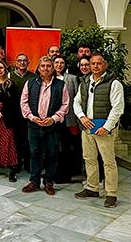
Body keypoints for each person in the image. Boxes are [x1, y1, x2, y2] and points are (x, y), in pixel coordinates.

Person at [73, 53, 125, 208]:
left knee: (108, 162)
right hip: (87, 127)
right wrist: (82, 117)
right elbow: (76, 102)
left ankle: (111, 194)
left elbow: (118, 108)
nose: (95, 66)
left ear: (105, 65)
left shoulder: (114, 84)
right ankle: (92, 188)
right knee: (89, 158)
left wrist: (107, 127)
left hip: (103, 128)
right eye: (92, 63)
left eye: (99, 63)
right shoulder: (85, 82)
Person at [20, 56, 70, 195]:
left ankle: (49, 182)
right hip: (34, 125)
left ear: (53, 68)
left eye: (48, 66)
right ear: (39, 68)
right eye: (43, 66)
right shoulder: (30, 83)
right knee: (34, 153)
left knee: (52, 153)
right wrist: (32, 117)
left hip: (52, 126)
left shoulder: (61, 85)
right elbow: (24, 102)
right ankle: (34, 182)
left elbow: (65, 105)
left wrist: (53, 119)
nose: (45, 68)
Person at [54, 55, 82, 184]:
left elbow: (77, 99)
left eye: (61, 63)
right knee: (54, 147)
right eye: (56, 62)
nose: (59, 65)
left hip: (68, 118)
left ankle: (67, 174)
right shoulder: (49, 78)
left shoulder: (72, 78)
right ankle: (54, 172)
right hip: (53, 119)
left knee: (67, 147)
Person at [9, 53, 34, 176]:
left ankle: (28, 163)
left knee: (28, 139)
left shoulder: (33, 77)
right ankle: (17, 163)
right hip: (14, 112)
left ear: (28, 63)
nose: (22, 63)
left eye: (24, 61)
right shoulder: (10, 76)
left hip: (29, 112)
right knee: (16, 139)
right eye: (19, 60)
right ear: (16, 63)